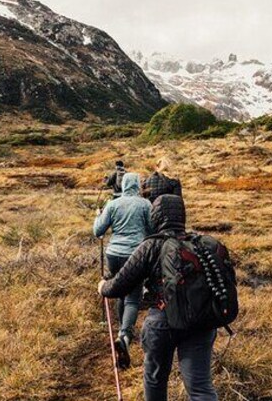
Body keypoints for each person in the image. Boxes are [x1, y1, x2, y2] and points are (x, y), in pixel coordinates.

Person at [97, 195, 218, 401]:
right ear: (182, 215)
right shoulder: (201, 244)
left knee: (155, 379)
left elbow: (120, 285)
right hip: (201, 322)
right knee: (200, 387)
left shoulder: (151, 246)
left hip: (163, 321)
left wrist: (103, 287)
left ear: (156, 217)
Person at [93, 172, 151, 368]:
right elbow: (152, 231)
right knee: (134, 297)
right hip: (135, 255)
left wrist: (99, 216)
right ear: (138, 185)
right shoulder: (145, 205)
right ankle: (124, 336)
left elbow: (97, 231)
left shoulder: (112, 204)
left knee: (120, 293)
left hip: (113, 254)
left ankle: (121, 331)